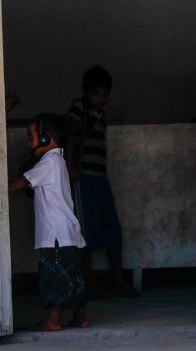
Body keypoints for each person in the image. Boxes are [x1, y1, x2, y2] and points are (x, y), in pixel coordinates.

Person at [9, 113, 88, 331]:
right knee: (74, 276)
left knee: (56, 277)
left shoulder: (50, 162)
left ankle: (52, 320)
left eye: (31, 137)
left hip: (55, 235)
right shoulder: (58, 161)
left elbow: (22, 182)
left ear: (45, 139)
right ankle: (80, 317)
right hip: (68, 233)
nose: (28, 142)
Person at [64, 65, 138, 297]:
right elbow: (70, 133)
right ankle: (90, 286)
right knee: (85, 234)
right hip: (83, 179)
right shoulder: (79, 108)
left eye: (105, 94)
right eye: (96, 93)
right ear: (86, 92)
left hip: (100, 179)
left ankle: (118, 281)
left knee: (111, 231)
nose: (101, 98)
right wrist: (70, 166)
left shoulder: (101, 115)